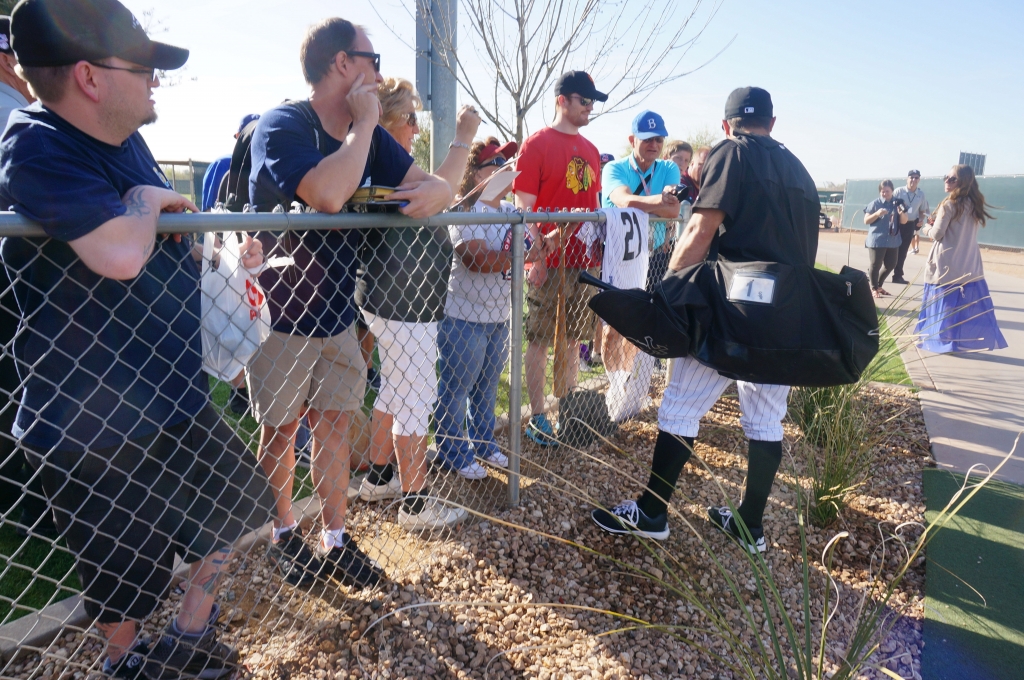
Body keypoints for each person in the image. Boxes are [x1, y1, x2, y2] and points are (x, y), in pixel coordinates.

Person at [0, 1, 276, 677]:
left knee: (235, 511)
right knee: (121, 571)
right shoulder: (34, 141)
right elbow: (120, 254)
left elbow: (162, 239)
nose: (157, 80)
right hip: (90, 420)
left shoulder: (126, 140)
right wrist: (149, 205)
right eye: (144, 67)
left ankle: (186, 636)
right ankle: (125, 666)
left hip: (171, 394)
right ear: (91, 77)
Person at [247, 19, 451, 585]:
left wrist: (434, 188)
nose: (380, 72)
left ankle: (336, 538)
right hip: (281, 315)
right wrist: (363, 128)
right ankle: (284, 534)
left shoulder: (371, 136)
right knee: (282, 431)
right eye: (372, 58)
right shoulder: (283, 124)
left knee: (336, 427)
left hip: (338, 313)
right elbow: (329, 194)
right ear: (342, 64)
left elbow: (432, 188)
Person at [591, 87, 820, 555]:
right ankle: (750, 524)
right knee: (765, 419)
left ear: (725, 124)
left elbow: (699, 229)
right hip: (785, 314)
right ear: (773, 124)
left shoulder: (731, 153)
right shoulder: (800, 169)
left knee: (680, 406)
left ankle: (653, 513)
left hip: (729, 307)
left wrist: (670, 289)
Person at [353, 76, 479, 530]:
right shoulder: (380, 154)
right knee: (417, 398)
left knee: (394, 388)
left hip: (396, 298)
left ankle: (380, 477)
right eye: (410, 118)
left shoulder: (377, 157)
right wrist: (463, 138)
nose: (416, 129)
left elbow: (439, 194)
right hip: (403, 302)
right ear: (385, 120)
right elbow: (439, 190)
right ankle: (416, 503)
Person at [513, 70, 604, 446]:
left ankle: (568, 411)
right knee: (538, 339)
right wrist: (535, 258)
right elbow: (524, 208)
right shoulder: (536, 144)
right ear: (562, 100)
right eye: (585, 100)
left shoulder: (593, 150)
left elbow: (594, 206)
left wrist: (598, 251)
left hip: (583, 260)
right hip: (548, 261)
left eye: (593, 102)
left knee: (572, 340)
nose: (590, 108)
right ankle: (537, 416)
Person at [434, 138, 526, 478]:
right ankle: (452, 452)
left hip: (499, 316)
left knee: (487, 388)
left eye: (506, 162)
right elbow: (476, 259)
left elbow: (534, 252)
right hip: (464, 316)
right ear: (476, 175)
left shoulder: (509, 211)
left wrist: (532, 249)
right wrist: (519, 254)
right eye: (495, 164)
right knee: (457, 389)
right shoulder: (463, 210)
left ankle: (484, 445)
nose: (505, 168)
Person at [0, 12, 53, 540]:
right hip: (21, 270)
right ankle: (37, 510)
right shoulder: (16, 111)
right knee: (24, 381)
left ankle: (26, 504)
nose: (18, 67)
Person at [600, 110, 681, 372]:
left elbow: (673, 211)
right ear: (632, 139)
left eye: (659, 139)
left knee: (643, 320)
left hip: (654, 256)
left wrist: (656, 205)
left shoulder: (668, 168)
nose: (654, 145)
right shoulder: (615, 168)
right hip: (618, 257)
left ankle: (631, 379)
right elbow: (623, 200)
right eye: (647, 139)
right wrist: (658, 201)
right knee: (614, 324)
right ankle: (614, 381)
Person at [915, 165, 1007, 353]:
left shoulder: (949, 204)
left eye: (952, 179)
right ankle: (955, 341)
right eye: (946, 177)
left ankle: (941, 341)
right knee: (961, 306)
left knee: (943, 305)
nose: (946, 182)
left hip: (946, 262)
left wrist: (925, 229)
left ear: (963, 182)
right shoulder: (974, 205)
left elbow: (937, 234)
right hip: (969, 262)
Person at [863, 179, 907, 297]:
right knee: (875, 265)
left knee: (891, 264)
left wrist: (901, 212)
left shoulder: (898, 203)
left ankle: (879, 285)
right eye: (882, 191)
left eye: (887, 191)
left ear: (892, 191)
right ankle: (873, 288)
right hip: (877, 239)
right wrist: (877, 214)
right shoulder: (875, 203)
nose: (885, 194)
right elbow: (866, 220)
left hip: (893, 240)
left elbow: (904, 221)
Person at [891, 169, 930, 284]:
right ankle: (874, 273)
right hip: (896, 223)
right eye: (911, 177)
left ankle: (897, 276)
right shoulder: (898, 191)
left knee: (903, 251)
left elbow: (923, 210)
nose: (914, 180)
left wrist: (921, 219)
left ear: (919, 180)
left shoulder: (921, 194)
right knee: (889, 249)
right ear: (907, 179)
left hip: (910, 224)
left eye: (916, 177)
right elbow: (889, 206)